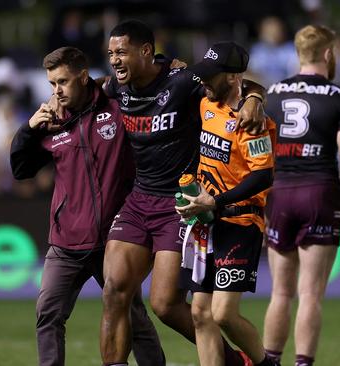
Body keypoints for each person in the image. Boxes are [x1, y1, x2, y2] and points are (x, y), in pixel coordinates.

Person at [100, 20, 267, 366]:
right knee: (114, 289)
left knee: (165, 304)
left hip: (181, 203)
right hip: (139, 197)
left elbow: (231, 82)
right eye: (111, 53)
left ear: (145, 51)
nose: (114, 60)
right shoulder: (116, 89)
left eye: (121, 52)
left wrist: (254, 98)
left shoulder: (184, 82)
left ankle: (237, 361)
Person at [9, 46, 164, 366]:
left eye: (62, 82)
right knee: (48, 315)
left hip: (115, 239)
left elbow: (151, 73)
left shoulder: (118, 105)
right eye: (51, 84)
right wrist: (28, 129)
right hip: (65, 242)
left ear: (83, 77)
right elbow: (21, 170)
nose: (56, 90)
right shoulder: (51, 121)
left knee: (134, 318)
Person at [261, 25, 340, 366]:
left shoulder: (271, 94)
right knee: (309, 294)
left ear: (298, 53)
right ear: (327, 54)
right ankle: (303, 363)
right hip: (319, 192)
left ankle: (270, 360)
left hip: (280, 193)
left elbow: (260, 153)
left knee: (280, 293)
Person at [176, 41, 277, 366]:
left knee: (222, 314)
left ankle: (265, 363)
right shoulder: (207, 103)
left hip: (240, 223)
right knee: (200, 313)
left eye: (211, 75)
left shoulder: (252, 121)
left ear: (233, 77)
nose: (204, 81)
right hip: (207, 223)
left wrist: (215, 200)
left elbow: (263, 176)